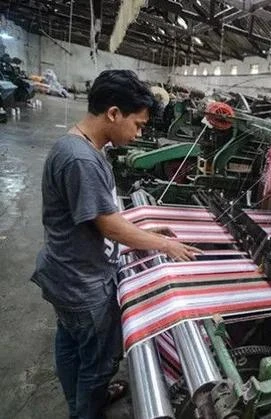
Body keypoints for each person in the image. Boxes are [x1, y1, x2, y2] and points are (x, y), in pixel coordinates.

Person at [31, 70, 200, 419]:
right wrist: (162, 245)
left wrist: (145, 229)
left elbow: (100, 214)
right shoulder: (81, 159)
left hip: (66, 272)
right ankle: (85, 409)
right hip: (83, 282)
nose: (139, 133)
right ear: (113, 114)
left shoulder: (81, 147)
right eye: (137, 124)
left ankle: (79, 399)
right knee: (97, 360)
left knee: (71, 345)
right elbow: (108, 225)